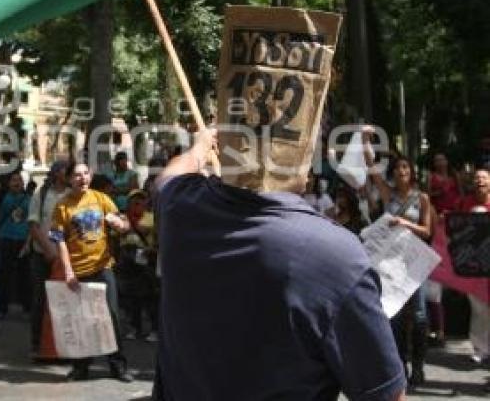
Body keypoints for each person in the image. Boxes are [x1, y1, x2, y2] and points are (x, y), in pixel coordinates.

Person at [154, 129, 406, 400]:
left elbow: (165, 180)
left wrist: (198, 149)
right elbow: (386, 395)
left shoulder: (179, 210)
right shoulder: (336, 254)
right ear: (305, 156)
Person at [50, 162, 133, 383]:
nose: (82, 178)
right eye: (77, 175)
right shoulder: (62, 206)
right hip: (78, 271)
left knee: (111, 317)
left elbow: (124, 224)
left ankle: (118, 367)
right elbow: (59, 240)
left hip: (103, 267)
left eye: (86, 173)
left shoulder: (101, 198)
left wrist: (120, 224)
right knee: (82, 321)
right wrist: (68, 270)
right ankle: (80, 368)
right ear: (69, 179)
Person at [364, 137, 434, 386]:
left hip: (414, 264)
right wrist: (364, 141)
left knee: (418, 315)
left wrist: (405, 223)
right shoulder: (388, 194)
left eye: (406, 168)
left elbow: (427, 231)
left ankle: (419, 366)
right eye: (398, 168)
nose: (402, 171)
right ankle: (399, 364)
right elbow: (372, 172)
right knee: (392, 315)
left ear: (412, 172)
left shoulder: (422, 198)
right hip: (391, 263)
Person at [27, 160, 70, 356]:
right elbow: (34, 225)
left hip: (66, 257)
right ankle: (38, 344)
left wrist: (59, 251)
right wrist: (49, 250)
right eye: (63, 169)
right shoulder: (41, 194)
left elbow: (60, 228)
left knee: (65, 302)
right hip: (41, 255)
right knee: (39, 300)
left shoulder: (73, 195)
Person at [426, 151, 462, 344]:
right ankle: (437, 328)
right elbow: (429, 196)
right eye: (437, 159)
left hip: (455, 222)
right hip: (439, 222)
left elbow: (461, 195)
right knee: (435, 278)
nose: (440, 162)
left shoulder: (454, 176)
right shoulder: (433, 178)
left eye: (443, 159)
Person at [116, 189, 159, 342]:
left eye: (141, 199)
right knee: (130, 297)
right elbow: (117, 233)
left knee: (150, 296)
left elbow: (152, 234)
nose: (137, 201)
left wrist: (151, 249)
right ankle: (135, 328)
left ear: (146, 201)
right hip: (127, 257)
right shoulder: (121, 218)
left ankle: (155, 329)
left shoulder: (152, 217)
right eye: (134, 199)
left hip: (145, 257)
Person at [459, 167, 490, 363]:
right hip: (473, 266)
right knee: (479, 309)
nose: (480, 181)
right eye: (477, 178)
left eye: (484, 178)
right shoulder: (464, 203)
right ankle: (480, 349)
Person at [0, 171, 32, 316]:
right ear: (9, 183)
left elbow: (31, 221)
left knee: (24, 274)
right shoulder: (3, 197)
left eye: (19, 180)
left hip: (23, 239)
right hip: (6, 237)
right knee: (4, 273)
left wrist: (29, 242)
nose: (16, 183)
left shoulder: (29, 199)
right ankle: (2, 306)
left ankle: (26, 306)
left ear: (23, 183)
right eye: (13, 180)